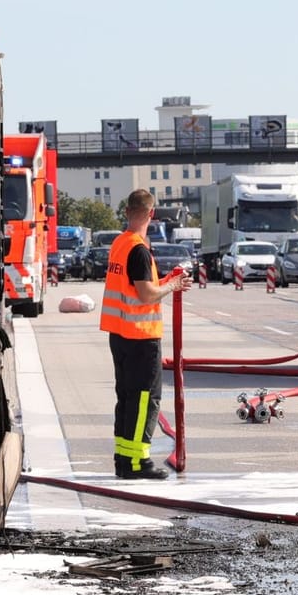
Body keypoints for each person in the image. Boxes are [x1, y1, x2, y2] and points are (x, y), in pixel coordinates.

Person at [101, 189, 192, 479]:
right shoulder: (139, 249)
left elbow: (136, 286)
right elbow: (145, 294)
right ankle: (138, 462)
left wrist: (165, 281)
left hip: (121, 334)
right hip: (141, 338)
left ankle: (123, 460)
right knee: (143, 401)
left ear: (127, 211)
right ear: (151, 214)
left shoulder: (120, 244)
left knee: (126, 399)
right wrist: (172, 286)